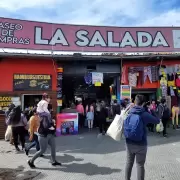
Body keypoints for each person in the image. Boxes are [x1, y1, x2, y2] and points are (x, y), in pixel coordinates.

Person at [124, 95, 159, 180]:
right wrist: (151, 109)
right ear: (143, 103)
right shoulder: (144, 114)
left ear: (135, 102)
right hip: (141, 144)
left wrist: (128, 107)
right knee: (140, 165)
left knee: (129, 163)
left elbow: (122, 118)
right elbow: (157, 120)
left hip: (129, 142)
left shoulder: (129, 112)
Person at [28, 95, 61, 168]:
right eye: (50, 109)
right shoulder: (44, 115)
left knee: (53, 147)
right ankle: (31, 161)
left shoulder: (48, 115)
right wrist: (52, 126)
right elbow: (46, 126)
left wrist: (53, 123)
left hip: (50, 135)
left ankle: (54, 161)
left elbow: (49, 124)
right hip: (43, 135)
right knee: (42, 150)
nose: (51, 110)